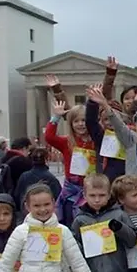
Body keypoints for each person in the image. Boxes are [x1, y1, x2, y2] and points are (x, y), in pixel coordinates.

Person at [44, 97, 95, 227]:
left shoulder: (96, 141)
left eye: (84, 120)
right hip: (72, 190)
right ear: (71, 124)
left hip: (92, 188)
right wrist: (56, 117)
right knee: (69, 221)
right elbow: (49, 137)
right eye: (76, 121)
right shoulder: (67, 142)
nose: (80, 124)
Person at [14, 147, 61, 215]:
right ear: (46, 160)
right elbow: (58, 200)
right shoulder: (51, 179)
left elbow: (17, 196)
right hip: (46, 214)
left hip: (27, 214)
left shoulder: (24, 176)